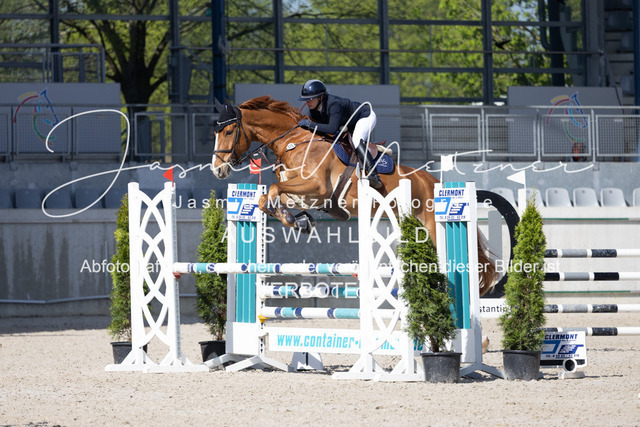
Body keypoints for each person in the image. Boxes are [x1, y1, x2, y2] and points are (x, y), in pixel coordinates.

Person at [297, 79, 382, 189]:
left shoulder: (334, 104)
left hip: (365, 117)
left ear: (321, 97)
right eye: (306, 99)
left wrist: (310, 124)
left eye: (310, 99)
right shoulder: (314, 109)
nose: (307, 102)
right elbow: (319, 128)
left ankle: (373, 173)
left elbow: (332, 129)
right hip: (349, 123)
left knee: (357, 139)